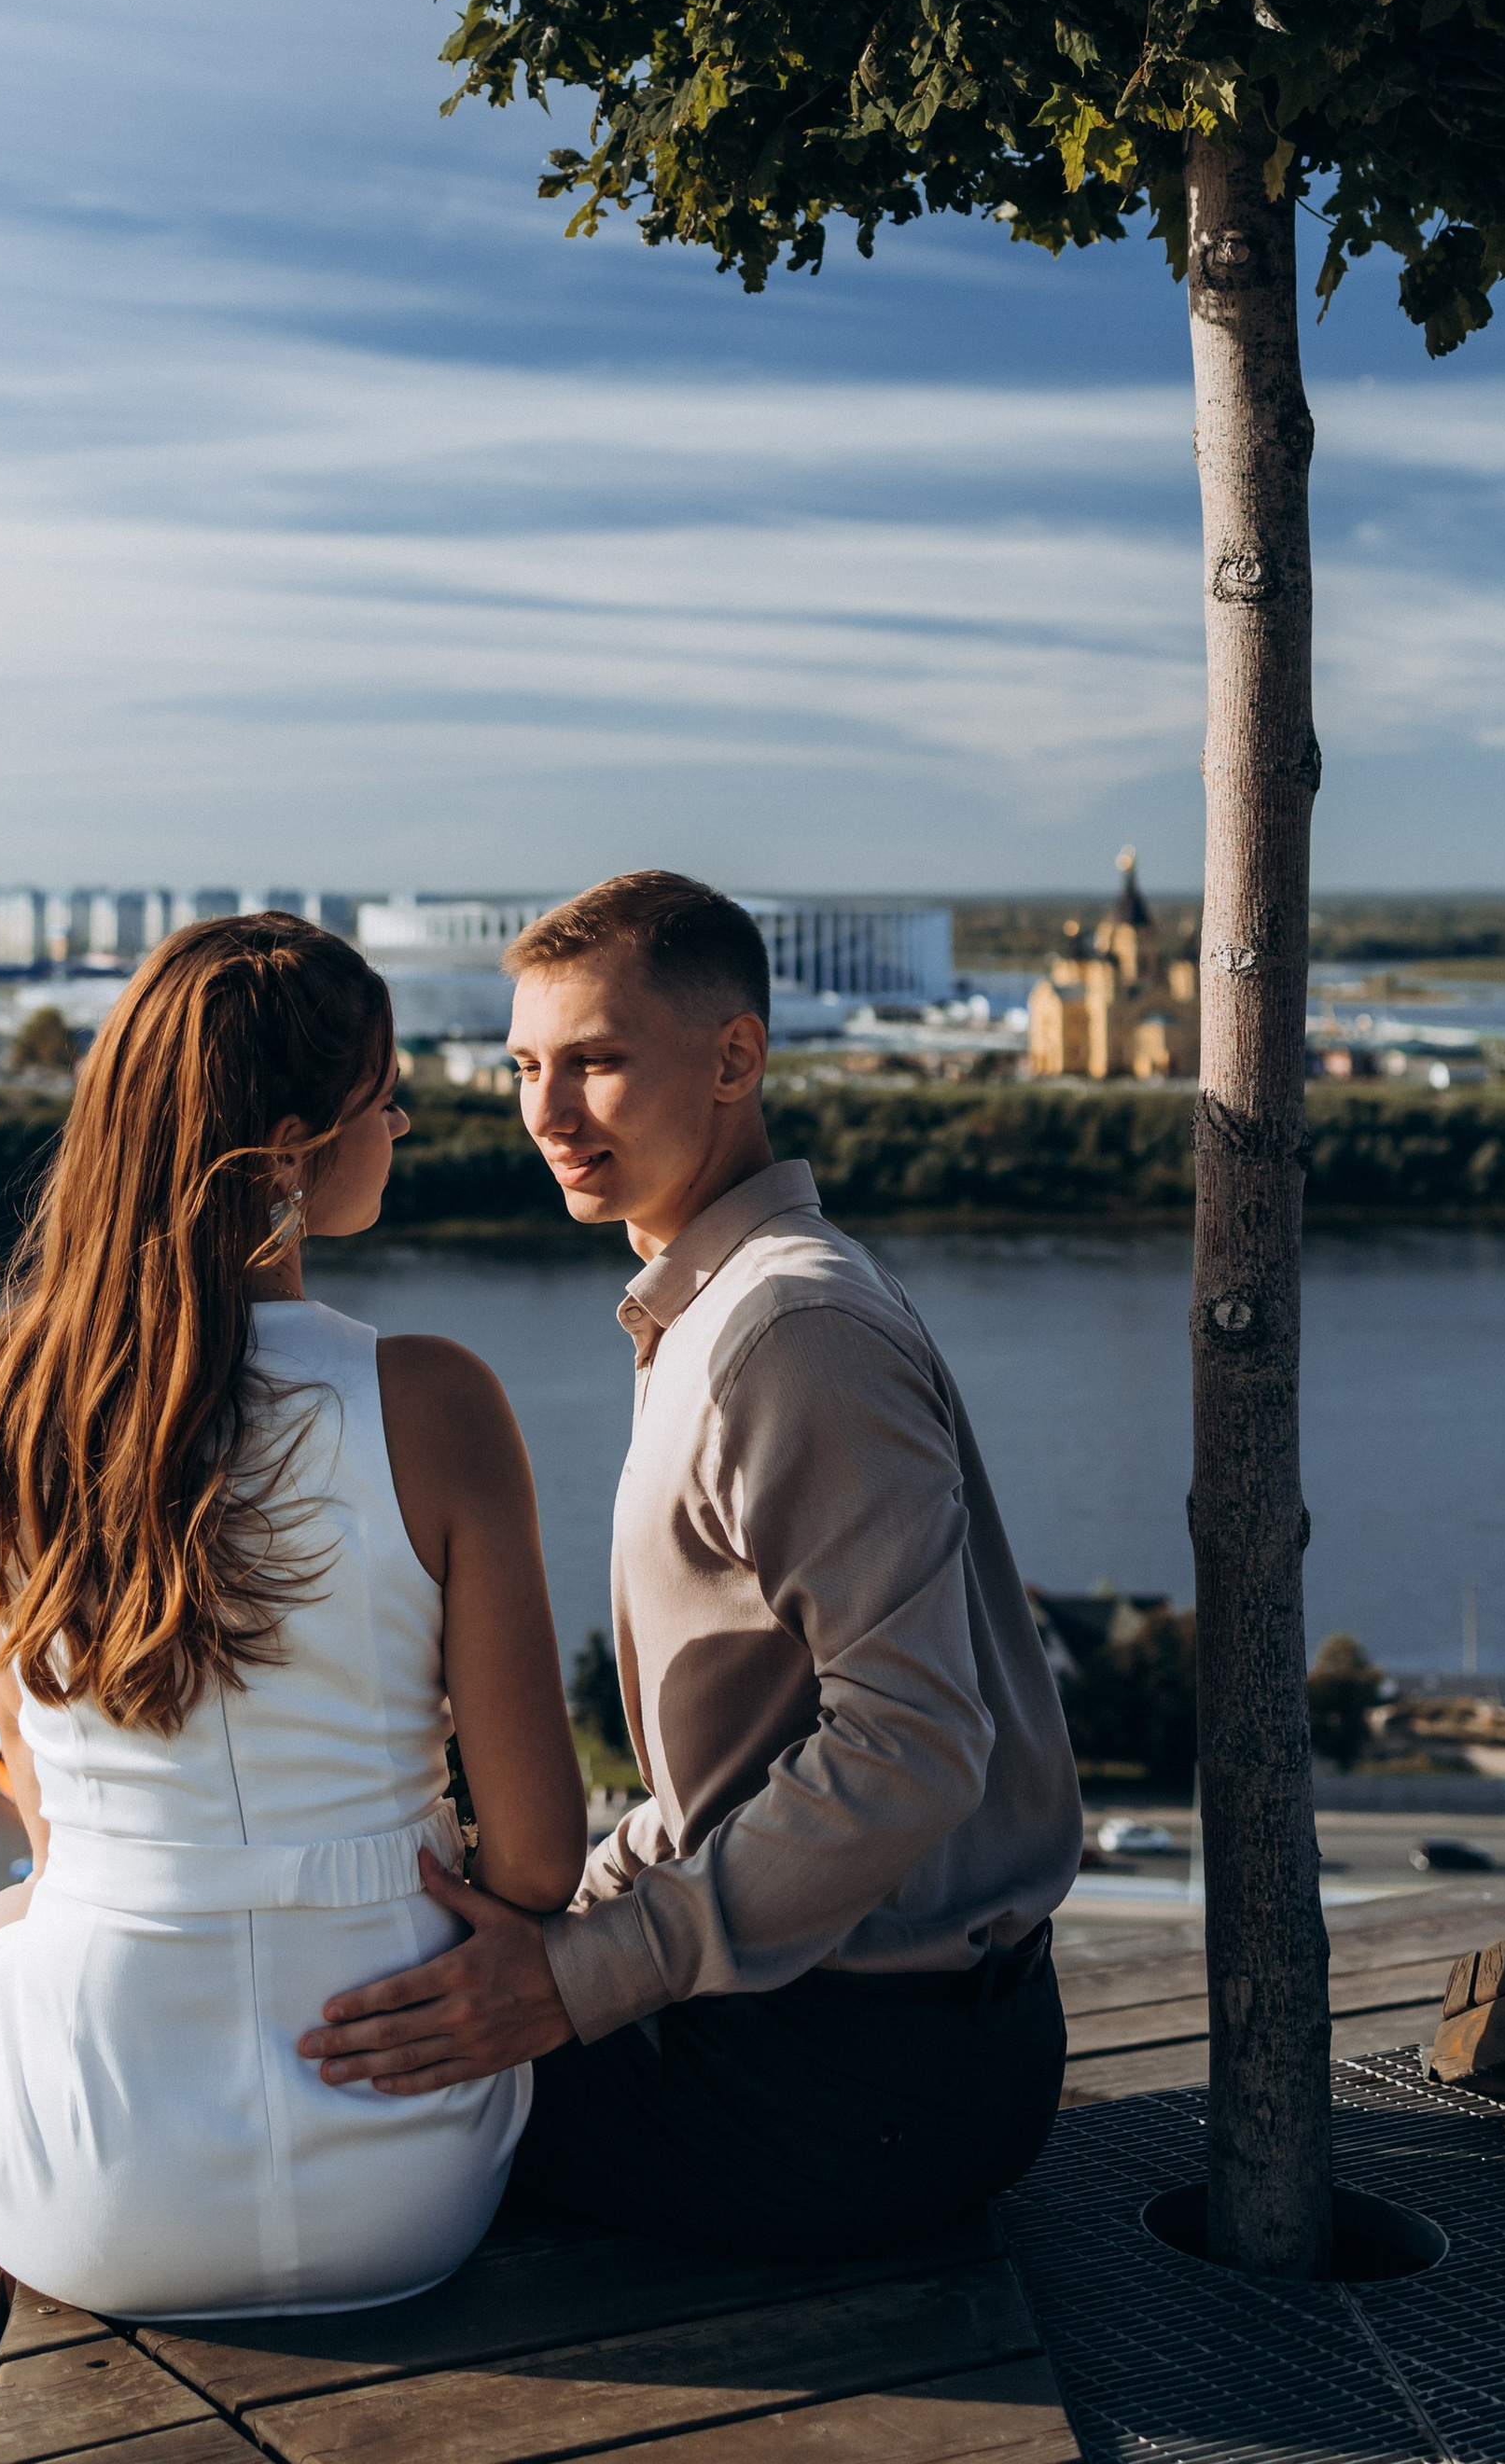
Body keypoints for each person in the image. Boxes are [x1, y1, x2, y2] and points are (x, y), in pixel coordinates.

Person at [300, 870, 1083, 2264]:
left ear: (735, 1058)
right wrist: (575, 1922)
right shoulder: (723, 1308)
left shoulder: (788, 1331)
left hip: (857, 2083)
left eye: (596, 1064)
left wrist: (574, 1982)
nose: (545, 1116)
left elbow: (911, 1747)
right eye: (525, 1067)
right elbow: (732, 1770)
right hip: (851, 2043)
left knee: (317, 2121)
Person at [0, 912, 584, 2318]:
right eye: (381, 1098)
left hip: (100, 2196)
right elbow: (545, 1860)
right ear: (284, 1149)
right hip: (406, 2163)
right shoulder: (437, 1402)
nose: (400, 1123)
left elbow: (54, 1832)